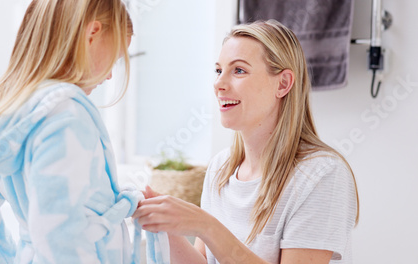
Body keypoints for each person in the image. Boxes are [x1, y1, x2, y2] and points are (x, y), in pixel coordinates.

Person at [133, 20, 360, 264]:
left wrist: (205, 226)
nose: (219, 83)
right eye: (218, 70)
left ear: (283, 84)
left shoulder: (321, 175)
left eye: (239, 70)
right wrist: (162, 223)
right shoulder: (222, 167)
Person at [0, 0, 139, 263]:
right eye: (115, 57)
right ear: (92, 34)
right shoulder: (66, 115)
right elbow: (58, 235)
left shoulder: (2, 110)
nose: (111, 75)